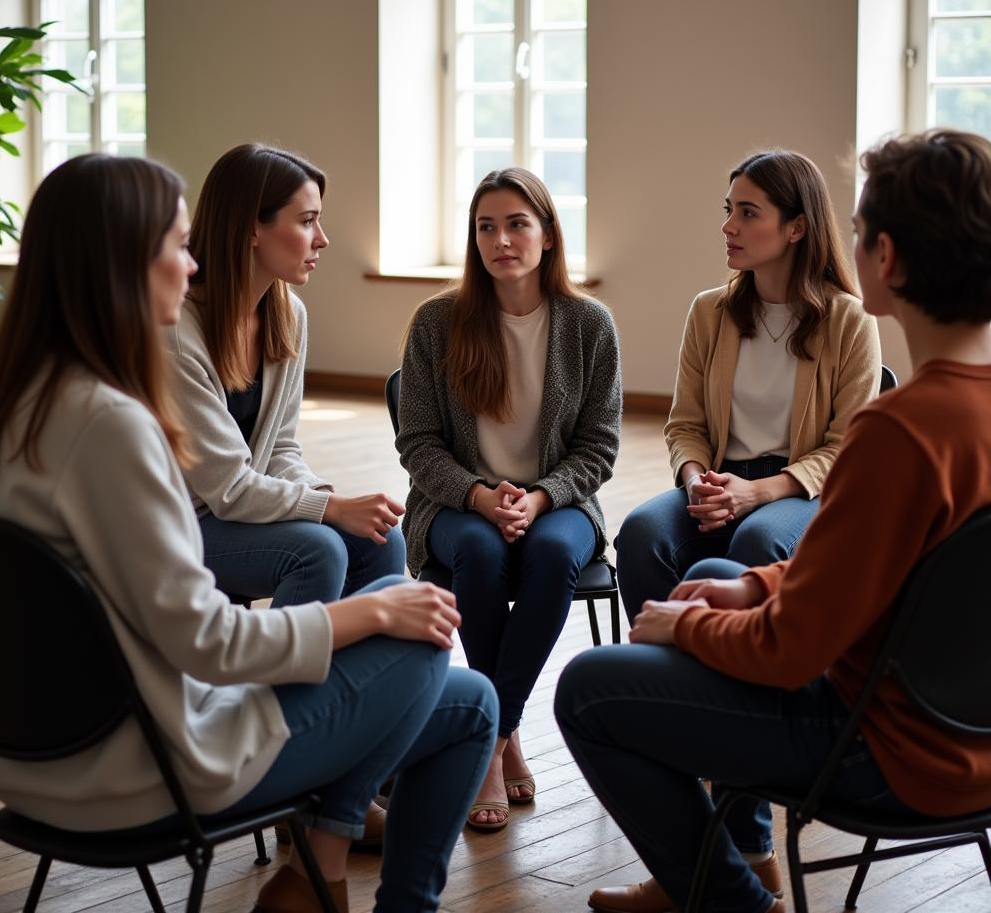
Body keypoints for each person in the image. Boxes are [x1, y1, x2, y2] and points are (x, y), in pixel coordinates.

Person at [0, 154, 498, 913]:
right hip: (144, 769)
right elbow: (207, 643)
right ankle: (323, 869)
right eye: (176, 247)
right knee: (429, 648)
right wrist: (371, 613)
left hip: (28, 766)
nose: (190, 267)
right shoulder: (110, 423)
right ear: (120, 262)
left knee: (457, 684)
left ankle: (315, 875)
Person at [555, 129, 991, 913]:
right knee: (719, 572)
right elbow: (907, 571)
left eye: (859, 233)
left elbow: (792, 655)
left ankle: (732, 900)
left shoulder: (900, 431)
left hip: (883, 750)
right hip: (970, 740)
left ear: (885, 257)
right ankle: (740, 863)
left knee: (588, 688)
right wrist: (752, 586)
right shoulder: (968, 415)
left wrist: (680, 628)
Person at [163, 144, 406, 845]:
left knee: (379, 537)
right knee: (315, 550)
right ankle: (278, 760)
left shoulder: (287, 313)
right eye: (307, 221)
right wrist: (328, 508)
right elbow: (227, 488)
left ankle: (347, 763)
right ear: (251, 228)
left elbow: (283, 450)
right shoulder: (178, 330)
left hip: (236, 516)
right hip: (186, 528)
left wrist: (331, 497)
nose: (323, 239)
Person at [397, 167, 621, 831]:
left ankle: (492, 737)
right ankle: (503, 741)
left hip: (560, 508)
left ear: (549, 235)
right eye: (486, 226)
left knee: (553, 558)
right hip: (458, 508)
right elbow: (419, 443)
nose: (502, 239)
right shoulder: (438, 323)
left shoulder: (588, 324)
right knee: (477, 551)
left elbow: (599, 447)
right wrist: (476, 495)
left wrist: (543, 498)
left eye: (518, 223)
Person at [615, 149, 880, 629]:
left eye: (748, 212)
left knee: (758, 539)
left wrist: (758, 492)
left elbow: (848, 448)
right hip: (719, 481)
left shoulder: (849, 320)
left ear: (796, 227)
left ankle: (734, 686)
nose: (728, 226)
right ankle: (664, 677)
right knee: (640, 533)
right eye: (729, 210)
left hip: (801, 491)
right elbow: (686, 425)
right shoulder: (709, 312)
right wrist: (696, 483)